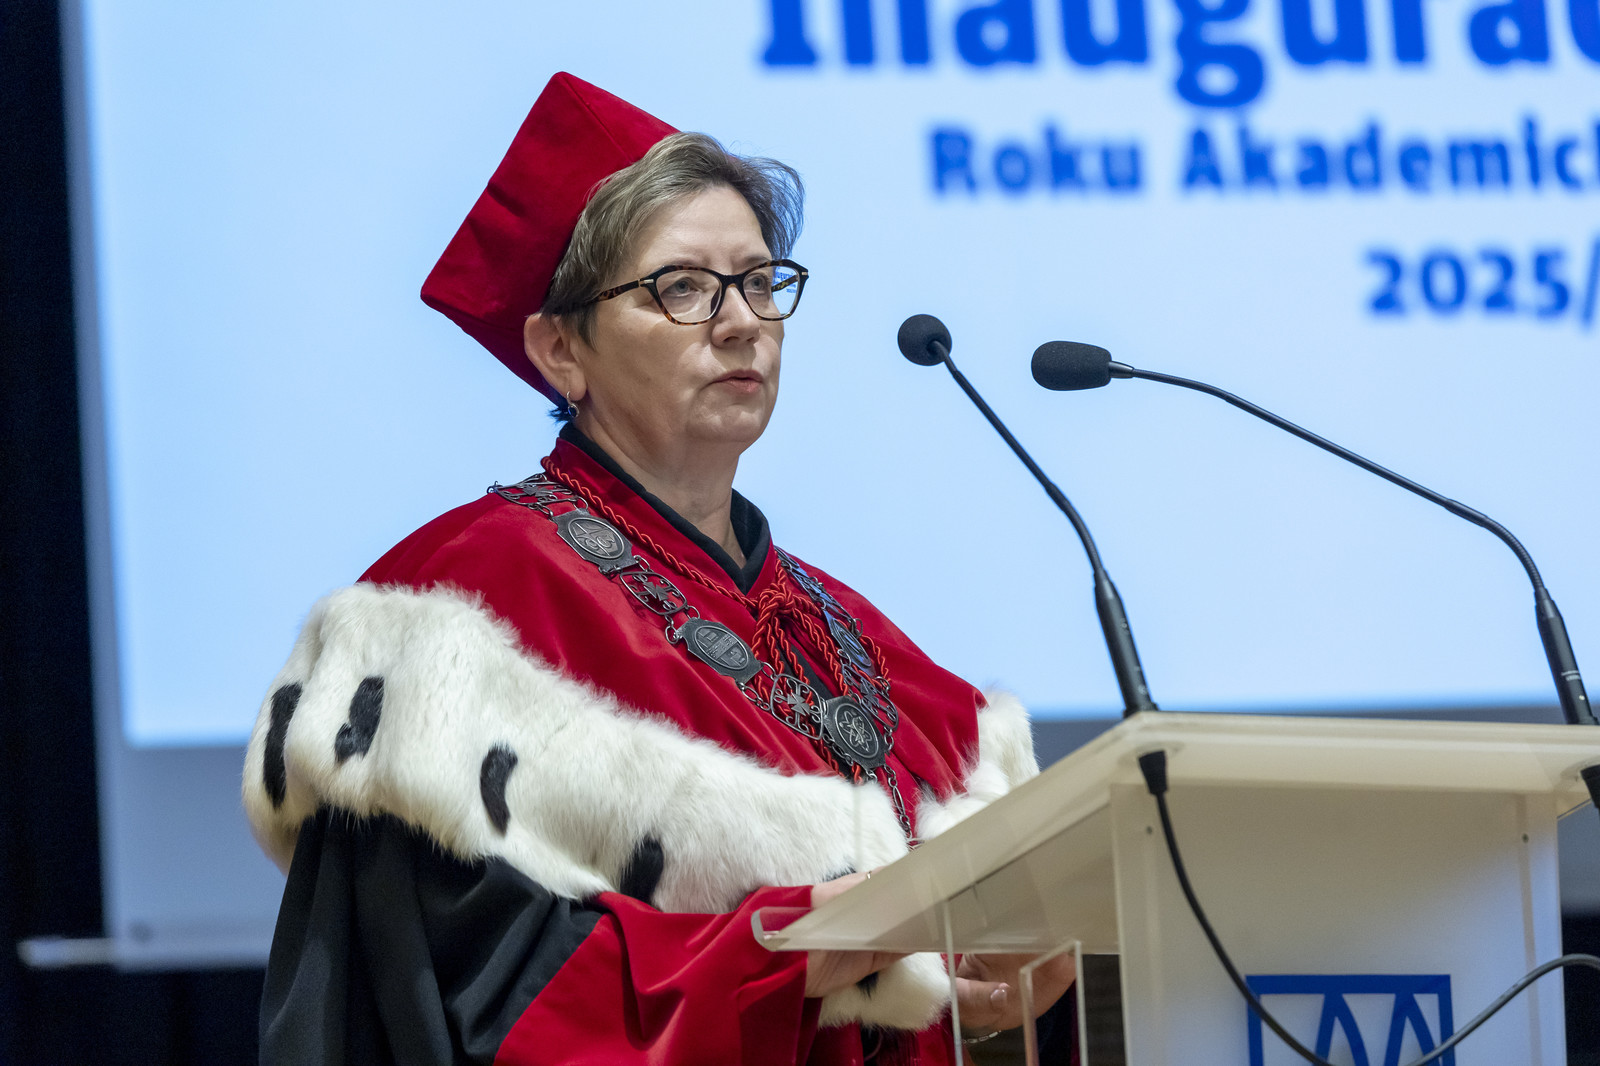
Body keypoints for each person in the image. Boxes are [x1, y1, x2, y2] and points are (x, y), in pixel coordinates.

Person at [243, 72, 1074, 1065]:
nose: (742, 321)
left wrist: (999, 989)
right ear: (562, 350)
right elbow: (473, 989)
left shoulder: (850, 631)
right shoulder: (456, 608)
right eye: (682, 288)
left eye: (760, 281)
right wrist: (786, 954)